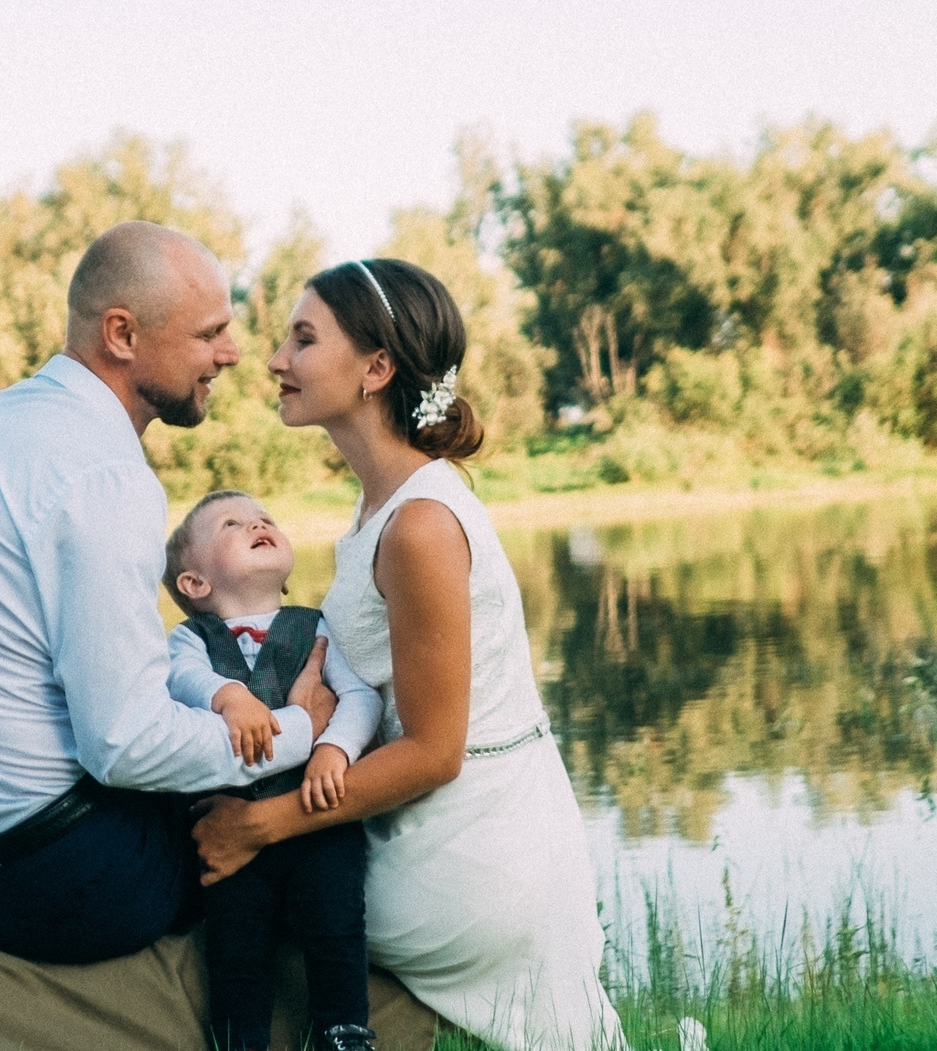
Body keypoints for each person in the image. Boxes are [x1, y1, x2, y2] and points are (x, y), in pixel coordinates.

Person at [0, 219, 339, 963]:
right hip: (46, 881)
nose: (232, 354)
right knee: (271, 818)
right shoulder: (104, 475)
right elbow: (126, 746)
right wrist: (300, 731)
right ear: (122, 333)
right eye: (210, 333)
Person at [192, 258, 627, 1051]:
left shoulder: (421, 525)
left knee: (231, 888)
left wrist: (259, 826)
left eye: (302, 338)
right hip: (453, 831)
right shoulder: (380, 506)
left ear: (376, 368)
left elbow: (434, 752)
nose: (275, 360)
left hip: (467, 859)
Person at [162, 490, 384, 1051]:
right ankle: (241, 1040)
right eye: (233, 524)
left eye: (265, 519)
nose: (258, 524)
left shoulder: (315, 626)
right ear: (196, 585)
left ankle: (344, 1029)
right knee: (235, 941)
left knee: (336, 921)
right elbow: (183, 681)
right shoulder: (188, 642)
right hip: (229, 827)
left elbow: (360, 698)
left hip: (317, 816)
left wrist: (334, 749)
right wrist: (229, 695)